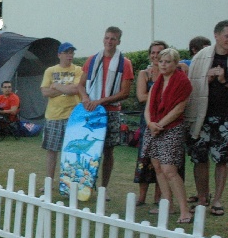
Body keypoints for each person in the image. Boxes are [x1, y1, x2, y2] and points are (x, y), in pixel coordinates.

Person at [76, 26, 134, 191]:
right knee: (87, 148)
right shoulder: (92, 60)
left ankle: (103, 188)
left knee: (108, 151)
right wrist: (86, 98)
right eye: (107, 38)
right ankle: (84, 184)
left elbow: (125, 92)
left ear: (118, 41)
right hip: (91, 109)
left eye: (113, 39)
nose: (109, 41)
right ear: (103, 39)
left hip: (111, 110)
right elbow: (80, 85)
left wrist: (101, 100)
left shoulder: (125, 63)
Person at [143, 48, 193, 223]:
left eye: (168, 62)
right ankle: (168, 204)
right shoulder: (158, 82)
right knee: (157, 167)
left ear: (175, 63)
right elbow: (148, 105)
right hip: (154, 127)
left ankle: (185, 210)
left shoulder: (183, 82)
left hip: (171, 127)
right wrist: (150, 123)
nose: (163, 64)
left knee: (169, 169)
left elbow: (179, 108)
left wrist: (160, 124)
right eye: (161, 61)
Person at [186, 19, 228, 217]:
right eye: (227, 36)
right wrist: (207, 79)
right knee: (199, 158)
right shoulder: (202, 57)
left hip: (225, 118)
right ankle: (202, 197)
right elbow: (191, 86)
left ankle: (218, 200)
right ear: (216, 35)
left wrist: (223, 80)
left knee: (222, 160)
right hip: (201, 116)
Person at [40, 42, 83, 183]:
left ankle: (70, 182)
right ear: (59, 55)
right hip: (54, 116)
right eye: (67, 53)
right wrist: (66, 88)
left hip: (73, 116)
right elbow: (45, 92)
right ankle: (49, 182)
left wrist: (56, 86)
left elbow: (76, 89)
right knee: (52, 151)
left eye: (72, 53)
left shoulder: (78, 70)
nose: (70, 56)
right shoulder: (50, 71)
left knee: (72, 151)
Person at [134, 41, 168, 205]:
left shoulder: (170, 73)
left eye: (159, 52)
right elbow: (141, 97)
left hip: (165, 120)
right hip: (147, 120)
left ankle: (158, 197)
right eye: (153, 53)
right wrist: (163, 94)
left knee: (161, 159)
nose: (155, 56)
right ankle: (141, 196)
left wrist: (153, 94)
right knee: (145, 157)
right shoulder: (144, 74)